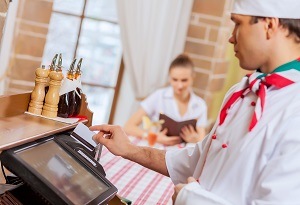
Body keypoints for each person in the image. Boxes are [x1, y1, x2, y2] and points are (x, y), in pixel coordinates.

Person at [90, 0, 300, 204]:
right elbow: (194, 161)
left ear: (269, 25)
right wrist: (129, 149)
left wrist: (190, 199)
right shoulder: (240, 92)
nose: (231, 38)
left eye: (238, 23)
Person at [124, 54, 207, 145]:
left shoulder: (200, 105)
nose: (179, 86)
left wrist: (196, 139)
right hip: (157, 149)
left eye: (184, 80)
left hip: (183, 154)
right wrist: (153, 137)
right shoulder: (158, 96)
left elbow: (202, 140)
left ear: (192, 78)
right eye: (175, 80)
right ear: (169, 78)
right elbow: (128, 126)